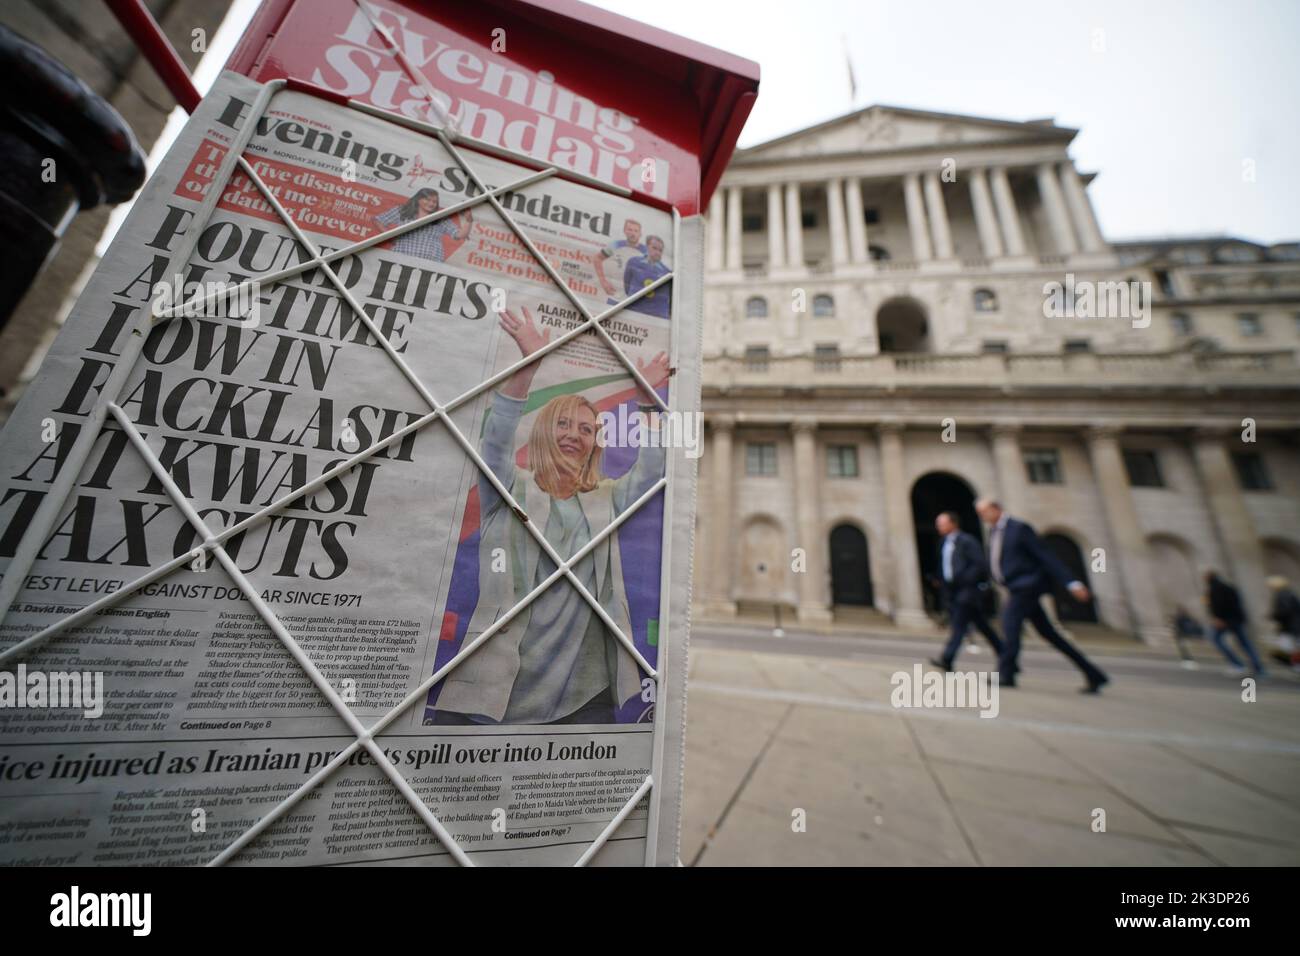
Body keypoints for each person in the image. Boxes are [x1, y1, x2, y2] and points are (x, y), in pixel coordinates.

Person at [432, 306, 669, 725]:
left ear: (596, 442)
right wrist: (529, 365)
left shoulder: (607, 499)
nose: (574, 435)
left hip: (585, 691)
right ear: (544, 431)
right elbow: (498, 439)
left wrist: (649, 403)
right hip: (500, 687)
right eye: (563, 424)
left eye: (585, 428)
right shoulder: (509, 487)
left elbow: (651, 469)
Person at [974, 497, 1109, 693]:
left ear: (996, 509)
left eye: (984, 512)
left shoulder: (1019, 528)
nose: (982, 516)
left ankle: (1006, 673)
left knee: (1009, 624)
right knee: (1050, 634)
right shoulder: (994, 532)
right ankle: (1093, 674)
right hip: (1013, 587)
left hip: (1026, 586)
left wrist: (1071, 582)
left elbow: (1045, 556)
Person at [928, 512, 1003, 671]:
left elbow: (978, 564)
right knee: (983, 626)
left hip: (967, 590)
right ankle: (1005, 654)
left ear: (953, 524)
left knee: (959, 625)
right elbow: (944, 565)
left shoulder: (967, 541)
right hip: (952, 591)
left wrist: (964, 580)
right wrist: (939, 579)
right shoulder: (943, 543)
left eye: (941, 523)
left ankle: (947, 658)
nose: (938, 527)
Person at [375, 188, 472, 262]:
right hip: (401, 257)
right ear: (418, 199)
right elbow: (378, 220)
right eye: (428, 200)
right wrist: (389, 236)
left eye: (434, 201)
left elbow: (459, 235)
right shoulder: (402, 211)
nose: (431, 203)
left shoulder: (440, 218)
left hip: (430, 262)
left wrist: (468, 220)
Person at [1203, 570, 1265, 676]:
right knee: (1245, 643)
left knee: (1216, 639)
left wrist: (1218, 618)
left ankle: (1238, 665)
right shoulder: (1228, 587)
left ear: (1208, 578)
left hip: (1225, 620)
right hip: (1236, 619)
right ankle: (1258, 668)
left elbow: (1218, 604)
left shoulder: (1215, 589)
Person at [593, 218, 646, 299]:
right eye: (630, 230)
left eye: (636, 231)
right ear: (625, 231)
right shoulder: (616, 245)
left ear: (640, 234)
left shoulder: (646, 252)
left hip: (634, 300)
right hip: (614, 295)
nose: (633, 233)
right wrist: (603, 281)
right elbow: (597, 258)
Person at [623, 235, 672, 318]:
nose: (658, 252)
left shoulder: (667, 273)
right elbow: (627, 285)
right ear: (647, 247)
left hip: (656, 316)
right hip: (634, 311)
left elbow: (669, 299)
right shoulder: (633, 262)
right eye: (654, 248)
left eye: (660, 250)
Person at [1266, 576, 1300, 669]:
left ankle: (1296, 665)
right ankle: (1296, 664)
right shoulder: (1289, 593)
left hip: (1290, 625)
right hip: (1293, 624)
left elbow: (1285, 611)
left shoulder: (1282, 595)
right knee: (1290, 647)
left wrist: (1273, 615)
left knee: (1285, 648)